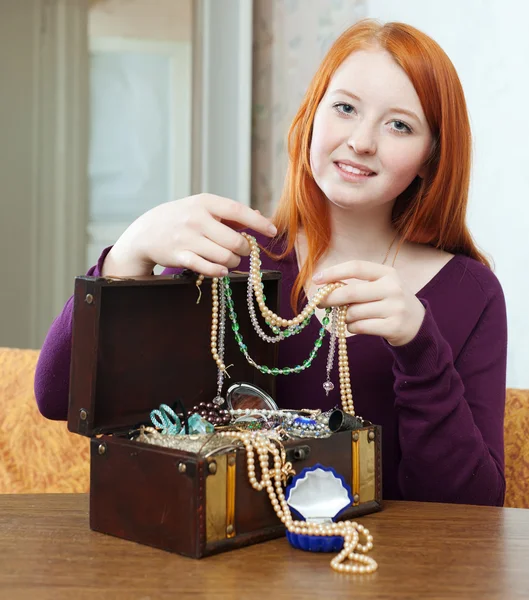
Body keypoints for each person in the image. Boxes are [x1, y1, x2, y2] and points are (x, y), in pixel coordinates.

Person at [35, 19, 507, 506]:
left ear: (431, 155)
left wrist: (419, 346)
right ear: (310, 117)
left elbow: (472, 508)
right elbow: (57, 398)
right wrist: (127, 255)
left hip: (372, 571)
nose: (362, 141)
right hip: (215, 569)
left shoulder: (470, 294)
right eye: (344, 108)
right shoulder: (233, 252)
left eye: (399, 125)